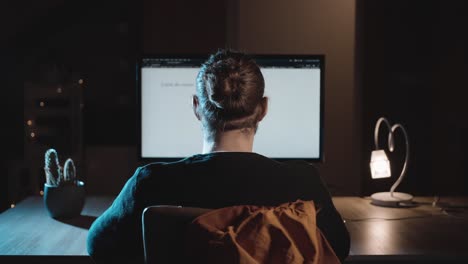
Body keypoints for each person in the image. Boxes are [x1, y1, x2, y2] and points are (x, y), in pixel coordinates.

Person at [87, 49, 350, 263]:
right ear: (263, 109)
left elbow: (97, 245)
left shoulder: (151, 182)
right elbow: (339, 247)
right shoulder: (302, 182)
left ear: (197, 107)